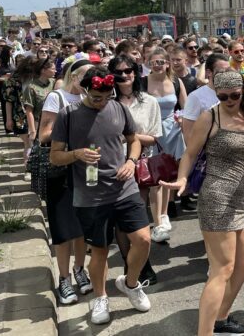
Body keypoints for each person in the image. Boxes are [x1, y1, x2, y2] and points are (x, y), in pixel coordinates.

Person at [162, 70, 244, 336]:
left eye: (234, 95)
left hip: (241, 197)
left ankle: (221, 317)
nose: (228, 100)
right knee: (222, 268)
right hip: (216, 196)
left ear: (243, 93)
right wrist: (182, 179)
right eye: (222, 95)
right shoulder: (210, 116)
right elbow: (190, 153)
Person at [49, 67, 151, 325]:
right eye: (96, 98)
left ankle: (130, 284)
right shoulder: (68, 115)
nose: (102, 102)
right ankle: (101, 297)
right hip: (90, 195)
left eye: (106, 97)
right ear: (85, 90)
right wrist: (77, 154)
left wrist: (131, 161)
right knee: (100, 252)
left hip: (124, 188)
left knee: (143, 240)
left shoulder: (118, 108)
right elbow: (55, 156)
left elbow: (134, 139)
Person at [37, 59, 94, 304]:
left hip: (85, 170)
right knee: (62, 228)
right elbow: (44, 135)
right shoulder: (57, 98)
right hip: (60, 169)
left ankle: (79, 270)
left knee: (81, 227)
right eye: (85, 78)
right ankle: (63, 278)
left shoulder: (93, 99)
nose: (89, 83)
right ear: (73, 77)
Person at [109, 55, 163, 284]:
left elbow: (153, 138)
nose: (124, 76)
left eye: (128, 71)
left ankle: (143, 263)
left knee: (138, 219)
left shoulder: (149, 102)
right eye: (118, 72)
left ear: (135, 72)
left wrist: (128, 136)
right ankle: (128, 262)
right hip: (111, 166)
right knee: (120, 221)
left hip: (139, 166)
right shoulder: (107, 101)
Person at [141, 47, 187, 242]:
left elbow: (186, 108)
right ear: (148, 64)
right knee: (154, 180)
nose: (158, 65)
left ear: (167, 63)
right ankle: (158, 224)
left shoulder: (176, 81)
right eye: (154, 62)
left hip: (171, 131)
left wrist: (181, 120)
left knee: (166, 173)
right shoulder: (142, 82)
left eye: (161, 62)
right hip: (150, 132)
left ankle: (164, 214)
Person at [182, 53, 231, 141]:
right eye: (221, 72)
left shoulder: (234, 93)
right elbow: (188, 134)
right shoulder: (195, 97)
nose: (226, 75)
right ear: (209, 72)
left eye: (228, 71)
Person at [4, 56, 36, 160]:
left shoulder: (38, 78)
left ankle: (31, 168)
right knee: (28, 144)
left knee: (33, 144)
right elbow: (9, 100)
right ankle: (28, 169)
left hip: (36, 114)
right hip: (20, 115)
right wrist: (8, 119)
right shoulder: (13, 80)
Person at [22, 57, 56, 144]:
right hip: (40, 125)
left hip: (55, 124)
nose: (55, 71)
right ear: (43, 70)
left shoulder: (55, 83)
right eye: (53, 69)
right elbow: (29, 110)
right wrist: (33, 130)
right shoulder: (31, 87)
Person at [0, 45, 15, 134]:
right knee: (5, 106)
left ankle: (14, 127)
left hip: (12, 85)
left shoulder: (12, 60)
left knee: (13, 106)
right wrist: (3, 79)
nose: (12, 53)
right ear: (6, 52)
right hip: (4, 86)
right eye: (11, 51)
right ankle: (8, 129)